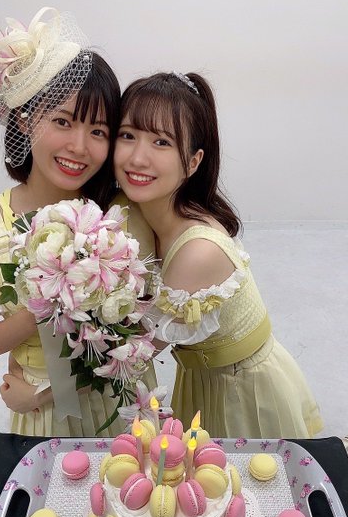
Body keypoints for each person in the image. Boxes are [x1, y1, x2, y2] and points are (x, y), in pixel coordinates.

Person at [0, 8, 156, 437]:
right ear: (24, 119)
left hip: (123, 405)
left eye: (98, 131)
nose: (79, 146)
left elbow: (144, 331)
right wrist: (38, 312)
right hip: (44, 418)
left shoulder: (121, 214)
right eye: (62, 121)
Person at [114, 71, 324, 439]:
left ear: (193, 162)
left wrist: (41, 392)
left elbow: (133, 355)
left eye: (161, 142)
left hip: (241, 392)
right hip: (201, 378)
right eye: (128, 135)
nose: (138, 157)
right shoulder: (141, 212)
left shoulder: (198, 252)